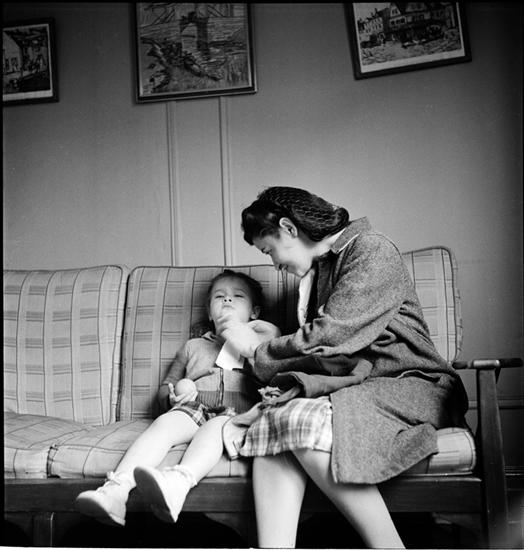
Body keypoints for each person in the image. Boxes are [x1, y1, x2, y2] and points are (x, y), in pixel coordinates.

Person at [219, 186, 469, 549]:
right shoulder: (320, 272)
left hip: (413, 384)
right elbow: (324, 355)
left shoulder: (371, 249)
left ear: (289, 228)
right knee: (272, 425)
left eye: (268, 250)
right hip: (360, 387)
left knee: (296, 417)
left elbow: (332, 336)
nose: (274, 264)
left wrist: (257, 350)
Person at [75, 269, 280, 527]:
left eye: (238, 296)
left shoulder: (259, 343)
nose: (227, 300)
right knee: (164, 425)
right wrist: (171, 397)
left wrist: (253, 340)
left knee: (215, 429)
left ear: (254, 312)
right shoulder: (193, 346)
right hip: (193, 407)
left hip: (233, 414)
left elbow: (272, 373)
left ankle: (178, 483)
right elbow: (166, 387)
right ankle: (115, 491)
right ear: (209, 312)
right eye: (219, 297)